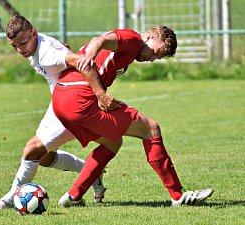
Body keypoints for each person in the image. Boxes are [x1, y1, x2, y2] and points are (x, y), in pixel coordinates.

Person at [52, 26, 214, 207]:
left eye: (156, 58)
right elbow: (99, 41)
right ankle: (178, 196)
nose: (151, 59)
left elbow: (99, 45)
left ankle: (73, 196)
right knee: (151, 129)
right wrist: (89, 66)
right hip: (80, 97)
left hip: (61, 101)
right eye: (154, 52)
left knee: (112, 142)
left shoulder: (130, 48)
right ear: (150, 37)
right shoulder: (133, 39)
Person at [0, 15, 118, 211]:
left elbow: (82, 61)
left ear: (33, 33)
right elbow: (64, 55)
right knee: (44, 157)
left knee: (31, 150)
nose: (20, 49)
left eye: (23, 43)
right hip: (61, 99)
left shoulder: (47, 53)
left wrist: (100, 94)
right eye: (14, 46)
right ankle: (91, 172)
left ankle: (9, 199)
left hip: (72, 103)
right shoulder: (37, 43)